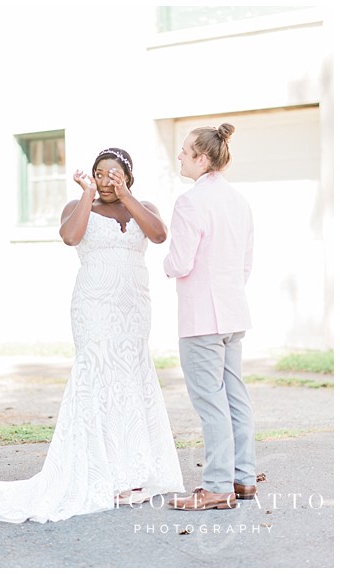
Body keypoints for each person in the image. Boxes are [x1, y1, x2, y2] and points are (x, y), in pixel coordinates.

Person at [0, 147, 183, 523]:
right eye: (100, 174)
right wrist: (86, 194)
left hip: (133, 306)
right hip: (94, 306)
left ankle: (133, 471)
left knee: (131, 378)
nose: (106, 180)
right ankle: (102, 472)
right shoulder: (78, 204)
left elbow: (160, 235)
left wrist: (128, 197)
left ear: (128, 177)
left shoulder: (142, 204)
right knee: (98, 376)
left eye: (114, 174)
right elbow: (70, 237)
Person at [163, 124, 258, 512]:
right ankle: (243, 477)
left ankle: (217, 485)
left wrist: (166, 265)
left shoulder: (190, 202)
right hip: (234, 314)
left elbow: (180, 262)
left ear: (203, 158)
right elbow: (245, 263)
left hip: (203, 317)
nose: (180, 157)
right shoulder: (239, 201)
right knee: (235, 397)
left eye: (185, 152)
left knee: (210, 402)